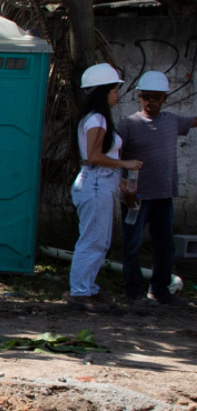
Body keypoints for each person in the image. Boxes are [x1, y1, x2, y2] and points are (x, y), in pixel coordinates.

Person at [71, 63, 145, 313]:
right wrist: (124, 164)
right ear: (104, 92)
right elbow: (94, 155)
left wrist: (120, 178)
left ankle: (87, 288)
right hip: (95, 183)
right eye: (115, 90)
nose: (118, 95)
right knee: (93, 239)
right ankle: (80, 291)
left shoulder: (95, 118)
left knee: (98, 239)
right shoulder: (98, 119)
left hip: (99, 182)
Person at [117, 70, 191, 307]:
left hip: (163, 196)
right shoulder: (127, 125)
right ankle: (133, 291)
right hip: (136, 198)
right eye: (146, 96)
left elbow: (194, 121)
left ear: (164, 99)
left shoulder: (172, 121)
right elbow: (113, 156)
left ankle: (159, 290)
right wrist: (123, 184)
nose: (151, 101)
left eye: (156, 97)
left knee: (164, 245)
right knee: (132, 244)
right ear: (139, 96)